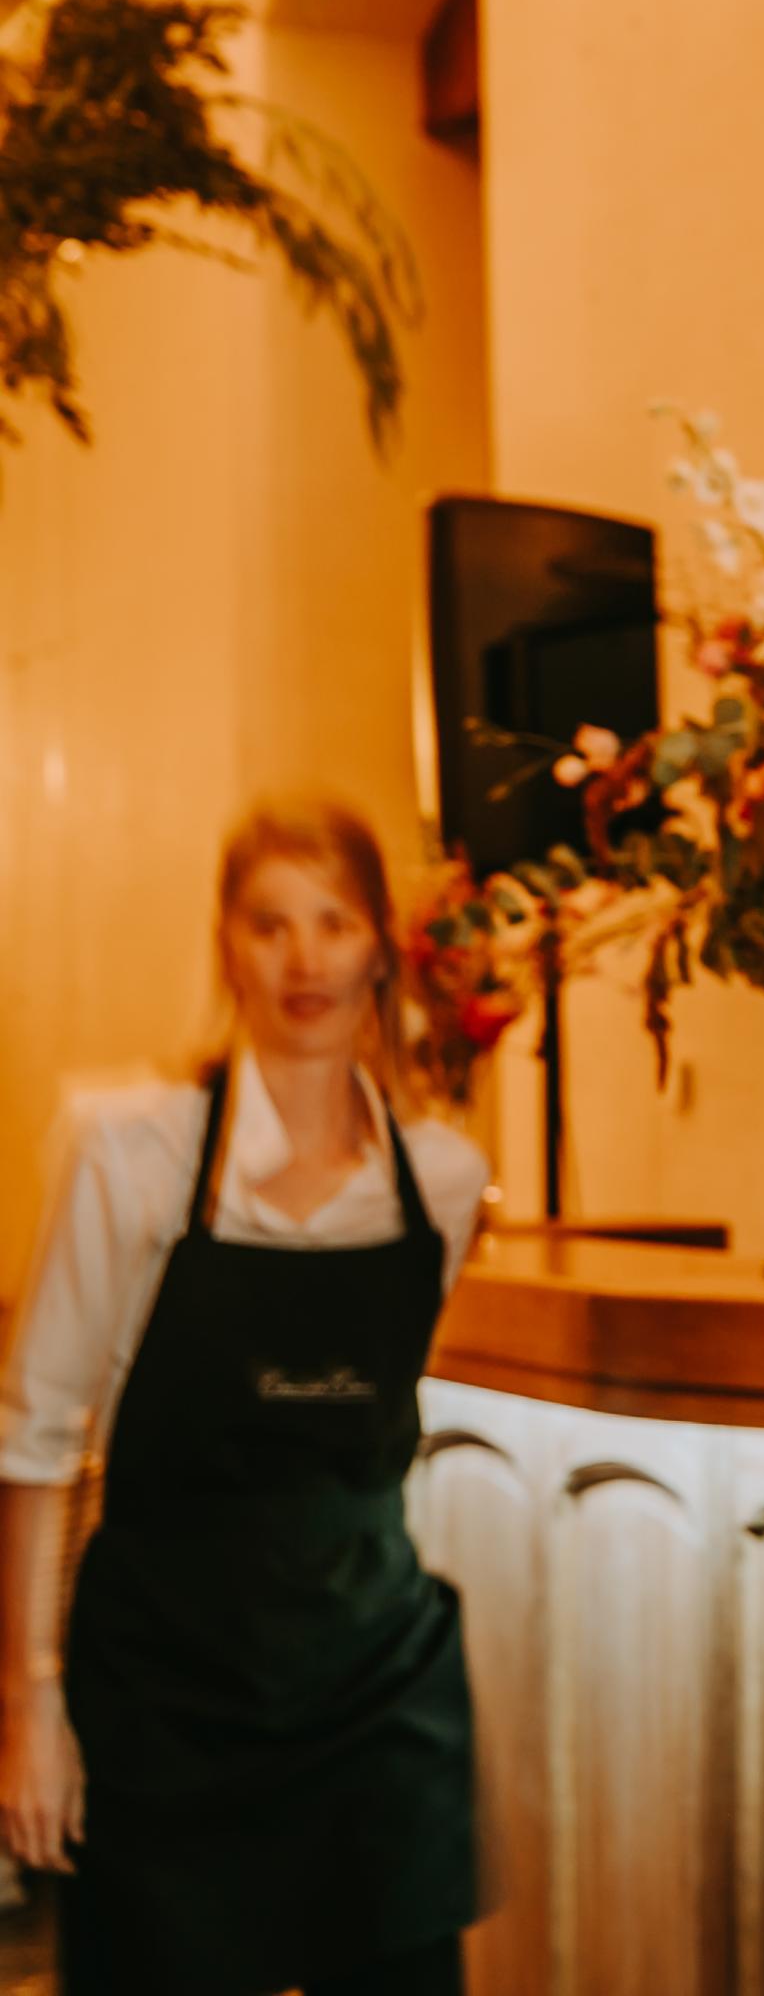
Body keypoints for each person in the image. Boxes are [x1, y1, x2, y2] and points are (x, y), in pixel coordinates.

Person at [0, 796, 490, 1995]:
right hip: (167, 1695)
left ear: (381, 941)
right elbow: (31, 1437)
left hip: (379, 1689)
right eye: (270, 923)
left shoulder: (444, 1179)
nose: (305, 957)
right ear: (227, 942)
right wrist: (29, 1703)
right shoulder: (135, 1155)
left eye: (334, 920)